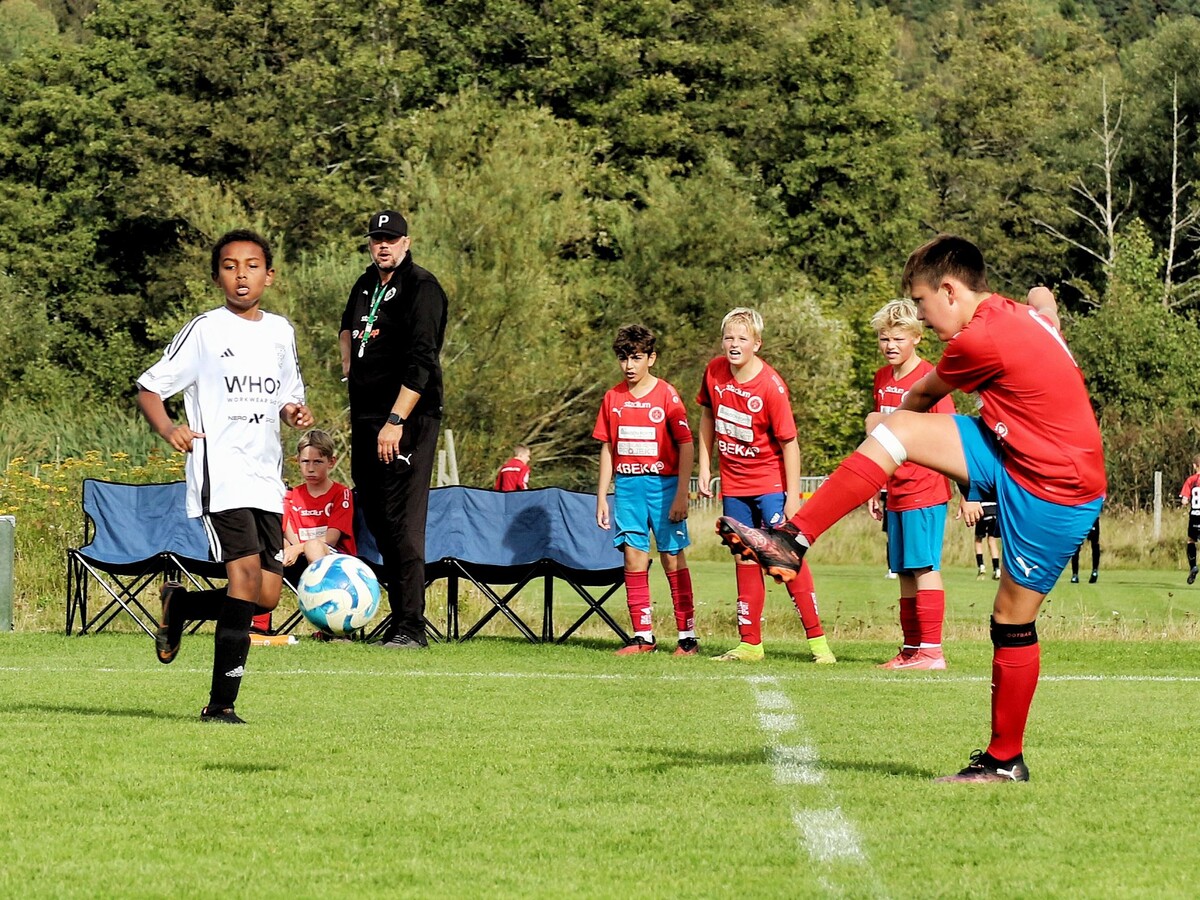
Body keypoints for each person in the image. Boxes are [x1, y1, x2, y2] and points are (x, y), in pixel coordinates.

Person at [717, 235, 1105, 783]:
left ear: (949, 291)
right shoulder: (1016, 316)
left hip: (1057, 487)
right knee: (898, 431)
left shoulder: (979, 340)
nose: (920, 315)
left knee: (1011, 619)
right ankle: (791, 540)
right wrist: (1044, 300)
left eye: (921, 302)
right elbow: (1042, 302)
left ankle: (1004, 761)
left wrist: (880, 428)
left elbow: (920, 398)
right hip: (1012, 449)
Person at [137, 229, 312, 724]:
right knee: (245, 577)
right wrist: (169, 427)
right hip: (222, 474)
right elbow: (150, 388)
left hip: (265, 479)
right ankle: (220, 705)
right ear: (217, 277)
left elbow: (289, 397)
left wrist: (294, 413)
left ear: (269, 275)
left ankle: (181, 606)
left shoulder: (280, 332)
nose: (241, 275)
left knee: (267, 595)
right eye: (230, 266)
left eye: (252, 266)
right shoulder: (205, 330)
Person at [697, 308, 835, 664]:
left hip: (770, 486)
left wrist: (792, 497)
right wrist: (705, 466)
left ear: (756, 344)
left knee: (785, 558)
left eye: (742, 338)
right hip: (734, 487)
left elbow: (790, 444)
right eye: (729, 337)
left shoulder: (770, 386)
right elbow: (707, 416)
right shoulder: (714, 371)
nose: (734, 344)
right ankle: (750, 644)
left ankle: (819, 644)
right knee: (744, 558)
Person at [340, 210, 448, 650]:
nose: (382, 246)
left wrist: (396, 420)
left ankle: (411, 627)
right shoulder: (366, 283)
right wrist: (350, 368)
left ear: (406, 242)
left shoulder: (422, 287)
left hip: (407, 420)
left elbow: (423, 361)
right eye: (376, 239)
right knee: (377, 515)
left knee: (403, 520)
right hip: (365, 417)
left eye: (390, 239)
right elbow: (347, 328)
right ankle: (398, 617)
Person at [594, 325, 698, 656]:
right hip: (628, 488)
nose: (629, 365)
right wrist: (602, 495)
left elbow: (686, 445)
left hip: (663, 487)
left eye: (636, 358)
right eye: (623, 358)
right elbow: (607, 447)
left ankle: (687, 637)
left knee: (672, 557)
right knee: (633, 557)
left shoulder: (667, 395)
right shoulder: (612, 398)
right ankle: (643, 636)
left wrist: (681, 494)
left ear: (651, 358)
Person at [869, 299, 957, 670]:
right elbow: (881, 439)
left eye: (898, 338)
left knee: (924, 566)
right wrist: (876, 484)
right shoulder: (881, 379)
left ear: (917, 337)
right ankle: (911, 650)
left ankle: (932, 652)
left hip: (926, 488)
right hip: (896, 491)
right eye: (884, 338)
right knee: (903, 570)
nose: (890, 345)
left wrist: (970, 494)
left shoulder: (931, 379)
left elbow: (952, 436)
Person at [964, 499, 1001, 580]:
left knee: (978, 540)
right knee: (992, 540)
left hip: (983, 510)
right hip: (995, 511)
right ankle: (997, 569)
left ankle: (981, 566)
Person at [1180, 455, 1200, 585]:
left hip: (1195, 515)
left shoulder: (1191, 480)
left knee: (1191, 540)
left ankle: (1193, 566)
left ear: (1194, 465)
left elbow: (1185, 500)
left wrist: (1185, 501)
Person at [1069, 516, 1100, 584]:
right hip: (1080, 519)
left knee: (1095, 544)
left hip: (1092, 518)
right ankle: (1075, 574)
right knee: (1076, 545)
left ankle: (1094, 571)